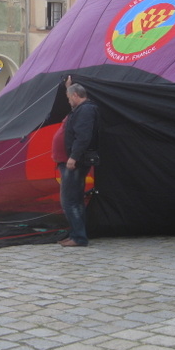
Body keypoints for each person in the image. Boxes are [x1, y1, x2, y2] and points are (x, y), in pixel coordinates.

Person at [58, 83, 98, 247]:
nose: (68, 102)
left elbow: (83, 136)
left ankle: (79, 237)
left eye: (69, 98)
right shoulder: (82, 109)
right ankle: (76, 234)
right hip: (76, 159)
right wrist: (69, 86)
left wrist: (73, 157)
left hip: (77, 161)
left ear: (75, 96)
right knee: (76, 199)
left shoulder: (85, 110)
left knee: (69, 200)